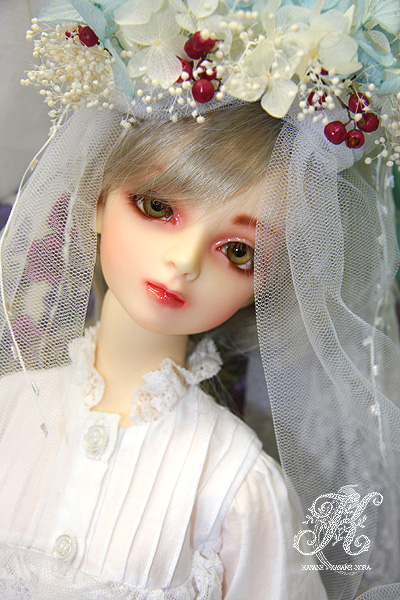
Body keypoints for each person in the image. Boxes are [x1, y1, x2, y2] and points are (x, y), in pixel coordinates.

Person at [0, 1, 399, 598]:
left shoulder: (236, 487)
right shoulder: (8, 412)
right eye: (158, 207)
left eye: (238, 251)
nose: (185, 261)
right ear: (96, 200)